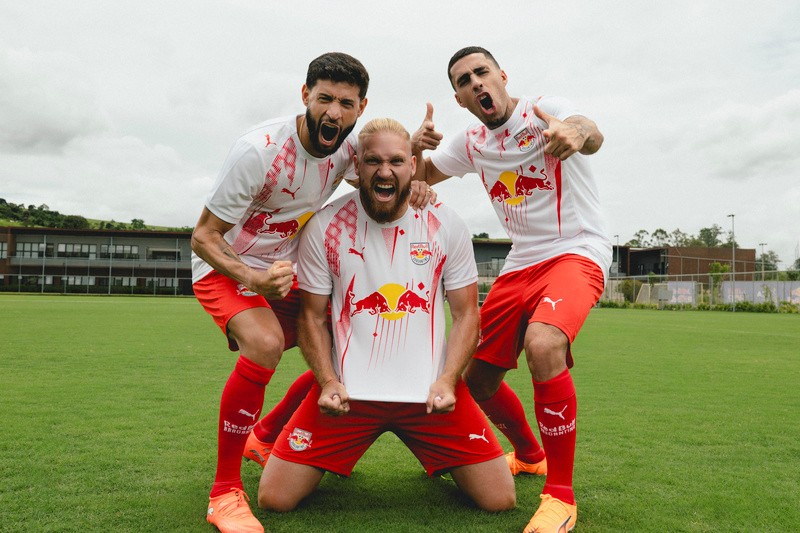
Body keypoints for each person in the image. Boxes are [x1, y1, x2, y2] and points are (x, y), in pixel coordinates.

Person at [191, 53, 434, 533]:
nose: (334, 113)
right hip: (227, 265)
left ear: (361, 106)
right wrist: (253, 278)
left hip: (285, 269)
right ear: (305, 95)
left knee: (342, 350)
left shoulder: (347, 151)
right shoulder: (258, 152)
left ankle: (262, 438)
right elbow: (202, 237)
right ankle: (224, 493)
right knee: (262, 345)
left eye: (346, 103)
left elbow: (386, 179)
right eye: (325, 99)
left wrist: (419, 175)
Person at [257, 118, 516, 516]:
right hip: (349, 397)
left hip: (431, 398)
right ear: (356, 167)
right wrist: (328, 381)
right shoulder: (325, 226)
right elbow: (311, 318)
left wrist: (447, 380)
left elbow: (467, 314)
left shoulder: (444, 223)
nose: (385, 171)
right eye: (373, 161)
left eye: (396, 161)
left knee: (499, 500)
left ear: (414, 165)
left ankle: (443, 456)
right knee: (275, 499)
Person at [412, 46, 611, 533]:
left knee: (544, 344)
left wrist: (574, 131)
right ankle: (530, 455)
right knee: (474, 380)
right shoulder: (471, 140)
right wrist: (416, 151)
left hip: (576, 248)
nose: (476, 83)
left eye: (482, 72)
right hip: (520, 261)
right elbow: (412, 175)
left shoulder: (545, 110)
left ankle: (560, 497)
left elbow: (590, 131)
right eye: (463, 80)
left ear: (502, 75)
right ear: (460, 98)